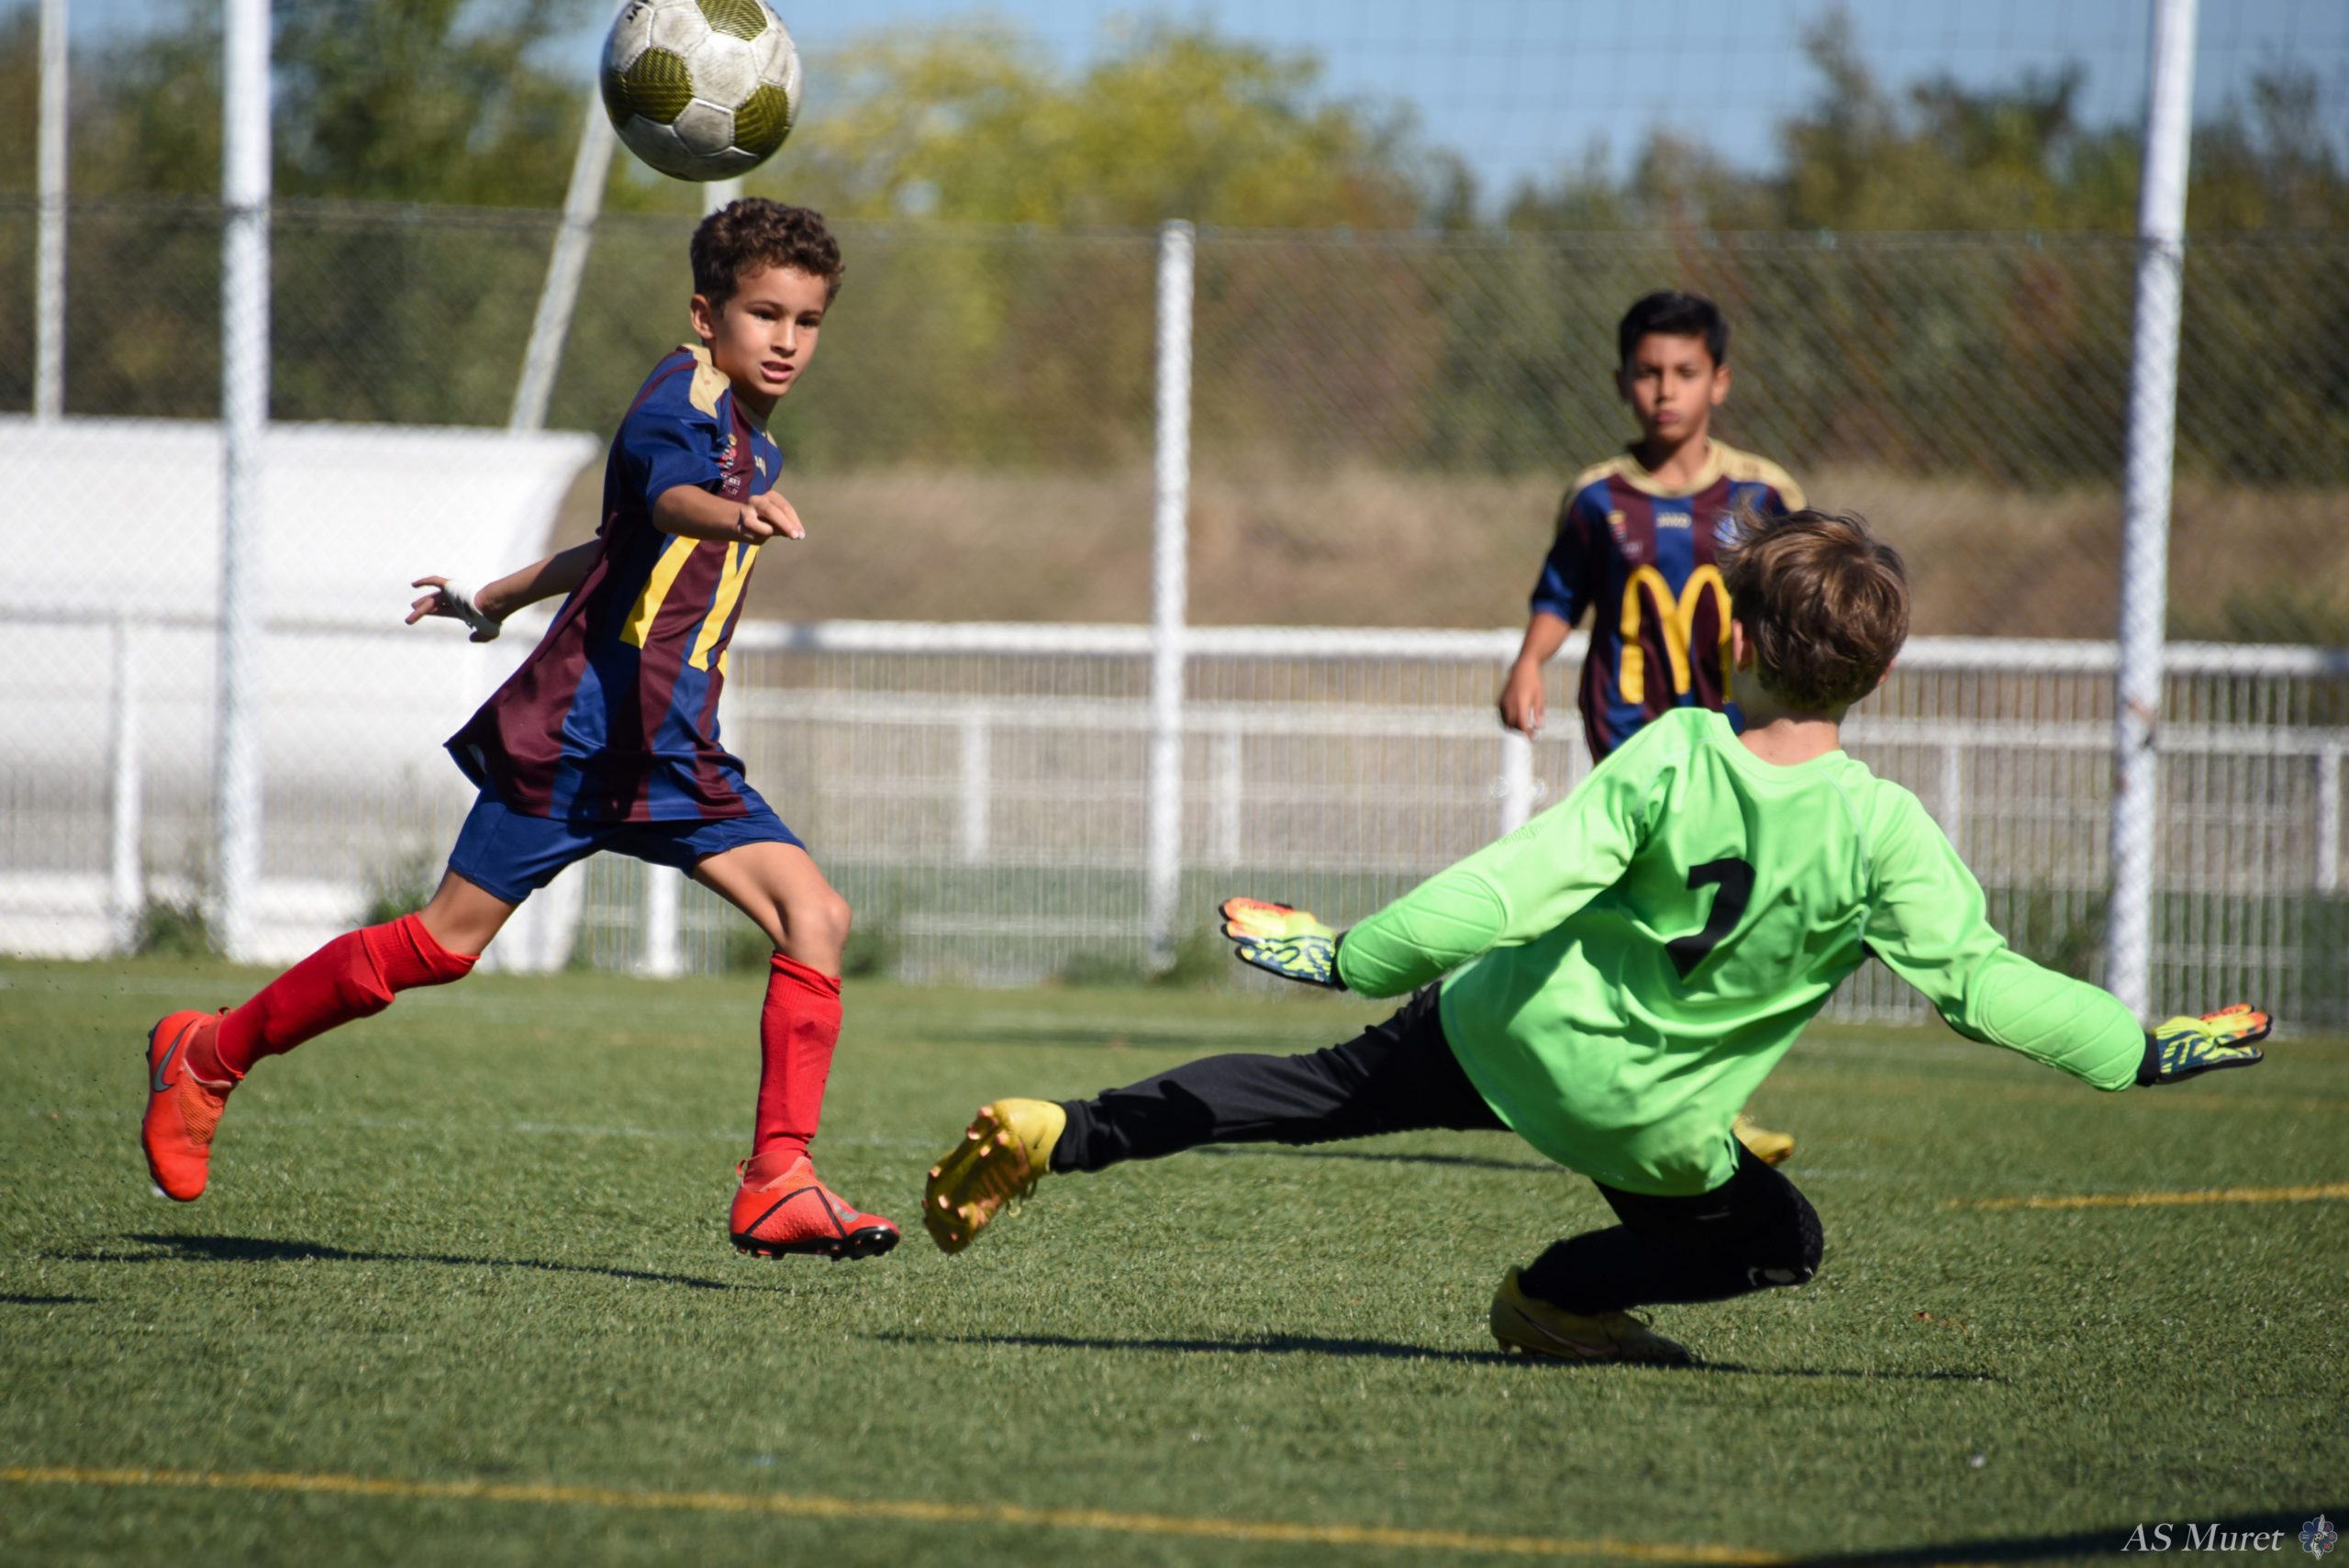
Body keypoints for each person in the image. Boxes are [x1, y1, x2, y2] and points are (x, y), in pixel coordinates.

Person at [918, 511, 2269, 1363]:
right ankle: (1556, 1296)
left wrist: (1351, 955)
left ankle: (1064, 1128)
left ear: (1735, 637)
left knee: (1300, 1092)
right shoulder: (1886, 832)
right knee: (1779, 1244)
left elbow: (1517, 882)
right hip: (1645, 1122)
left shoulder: (1675, 750)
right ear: (1883, 671)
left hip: (1503, 1030)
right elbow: (1982, 987)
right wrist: (2132, 1050)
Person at [141, 201, 899, 1262]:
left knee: (814, 914)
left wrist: (495, 595)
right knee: (443, 944)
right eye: (763, 313)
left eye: (806, 320)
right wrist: (734, 514)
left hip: (674, 750)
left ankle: (779, 1178)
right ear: (706, 314)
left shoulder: (755, 447)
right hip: (579, 740)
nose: (786, 339)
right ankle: (208, 1055)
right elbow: (668, 500)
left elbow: (616, 544)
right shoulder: (678, 399)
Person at [1500, 290, 1809, 1166]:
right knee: (1644, 922)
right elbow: (1561, 593)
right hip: (1630, 744)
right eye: (1647, 373)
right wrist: (1529, 661)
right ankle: (1676, 1107)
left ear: (1721, 381)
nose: (1665, 390)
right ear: (1621, 381)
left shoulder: (1764, 494)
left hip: (1734, 746)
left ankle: (1696, 1104)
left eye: (1684, 372)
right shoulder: (1597, 499)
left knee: (1716, 926)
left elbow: (1800, 597)